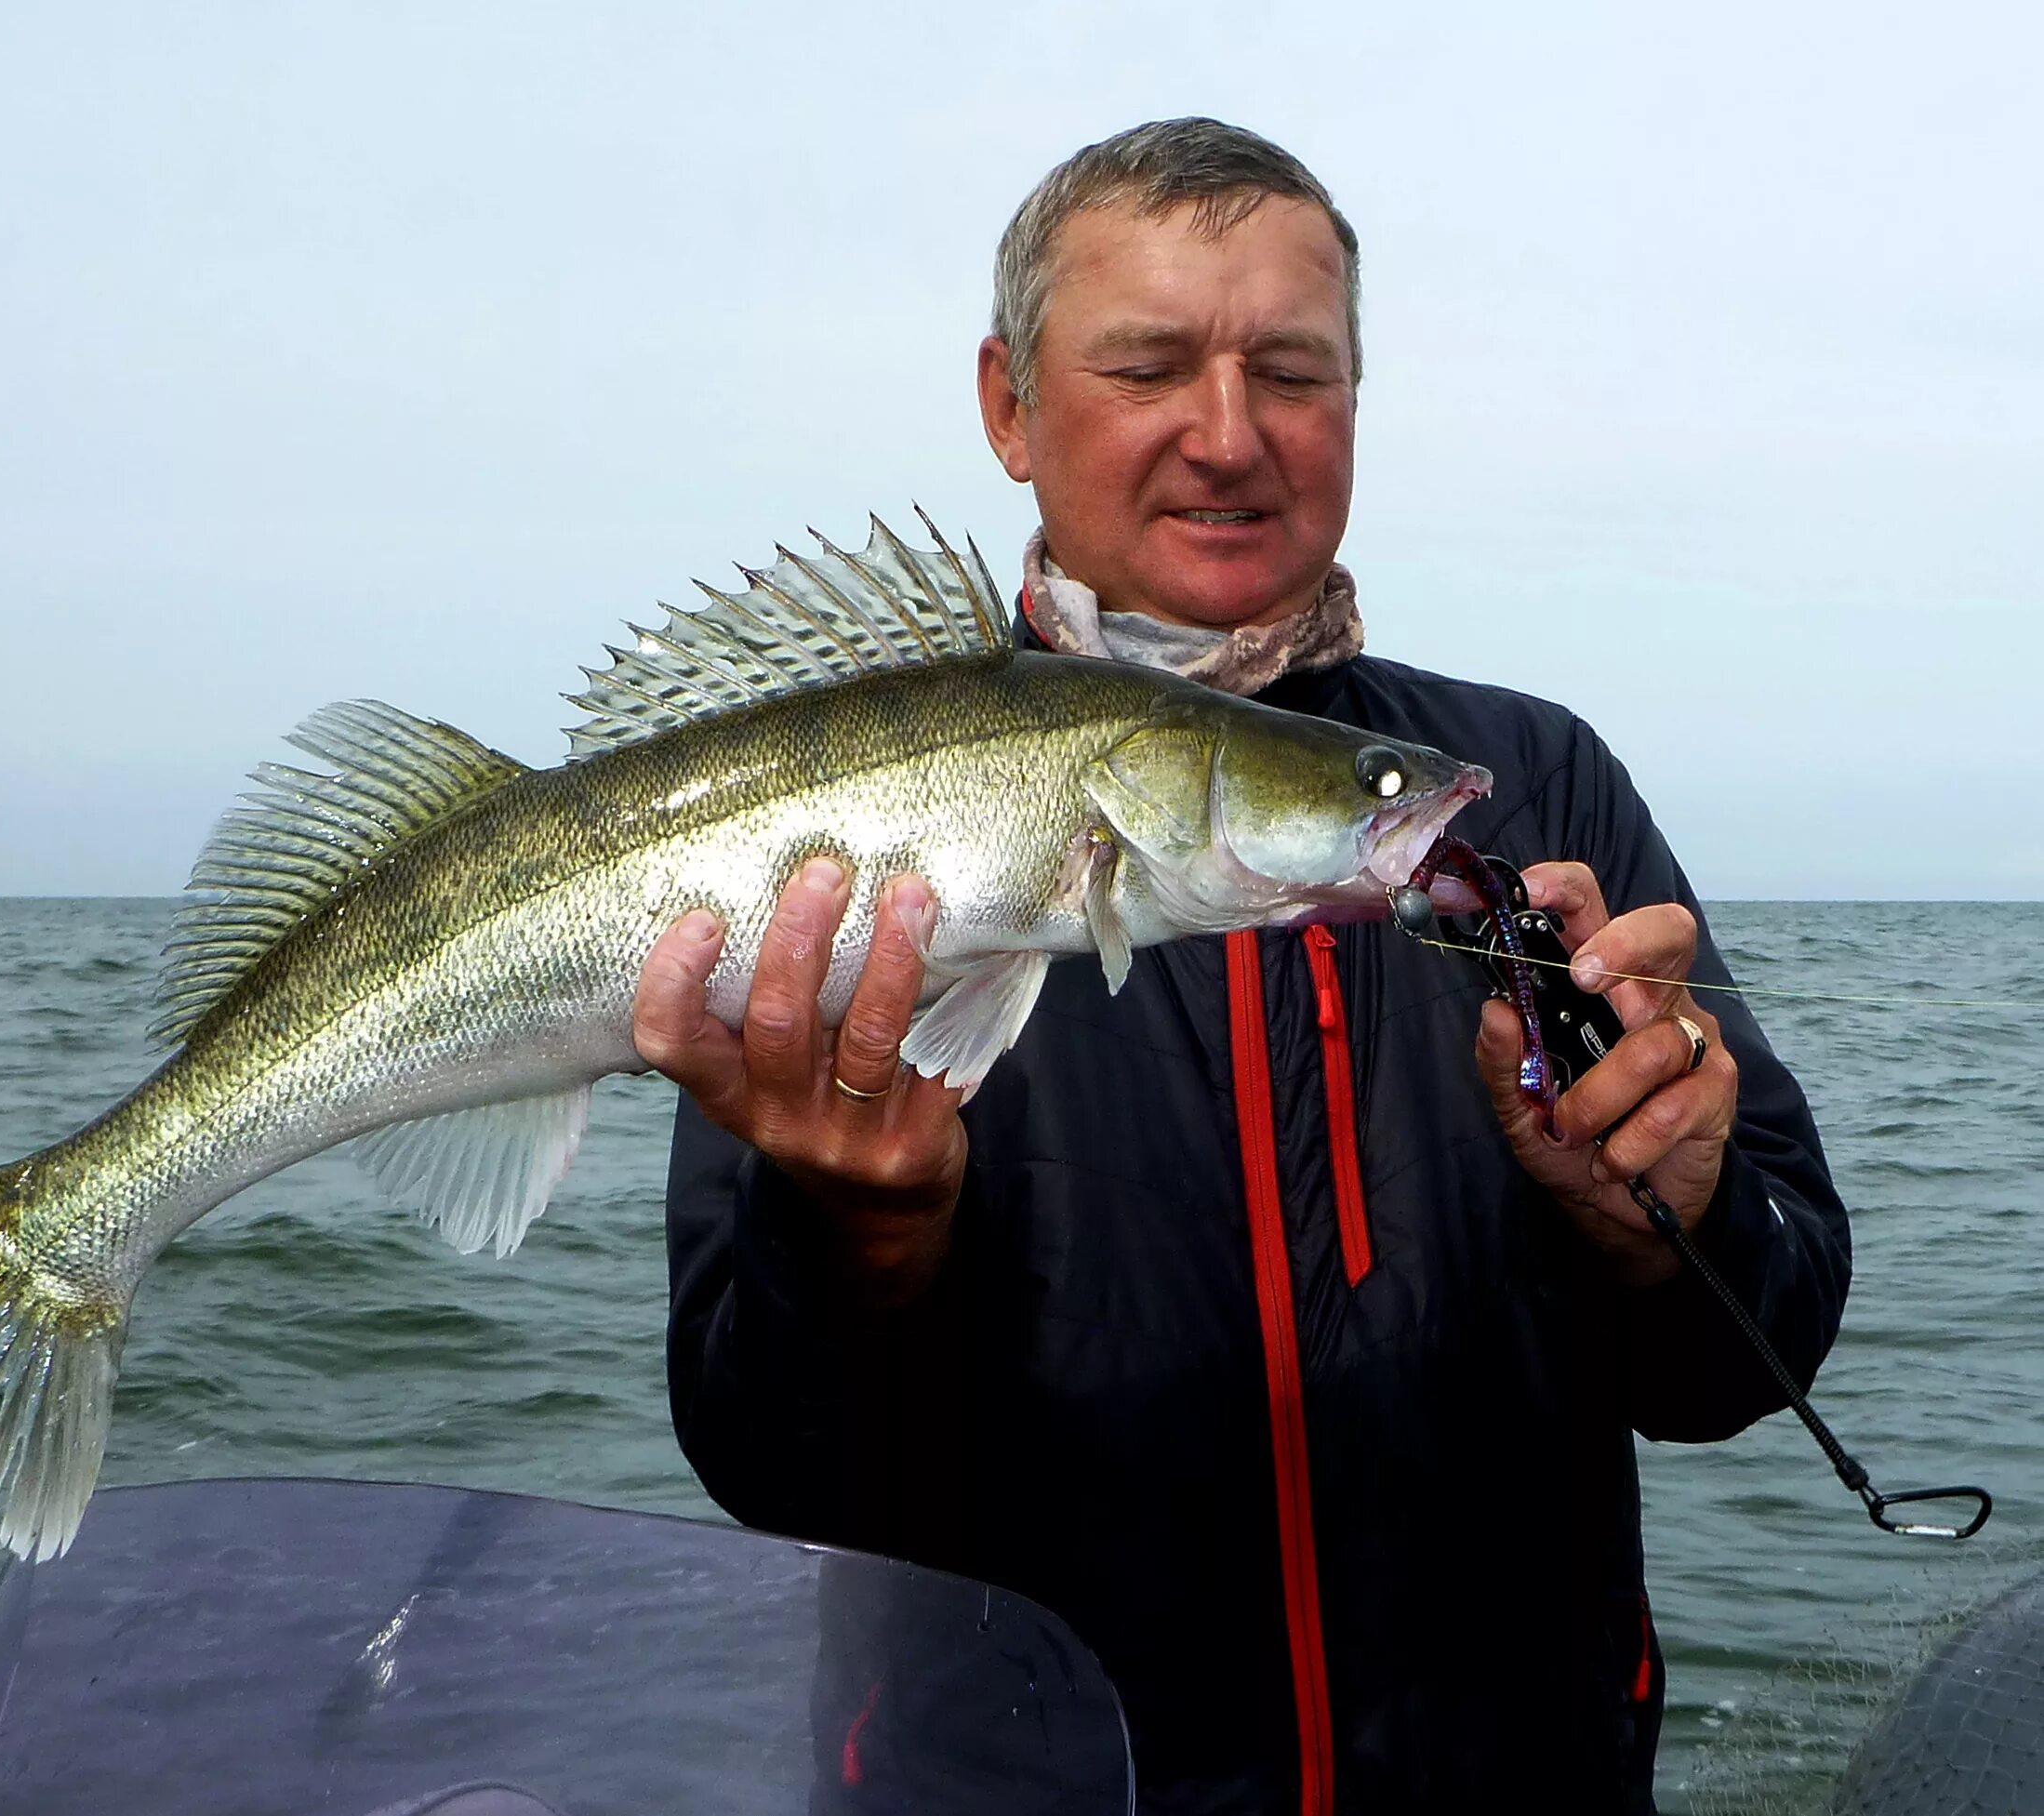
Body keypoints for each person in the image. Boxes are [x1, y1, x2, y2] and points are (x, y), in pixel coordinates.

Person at [630, 118, 1850, 1814]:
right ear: (1008, 404)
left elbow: (1749, 1360)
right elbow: (769, 1456)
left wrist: (1674, 1214)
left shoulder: (1525, 788)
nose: (1229, 436)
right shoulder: (840, 814)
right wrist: (856, 1238)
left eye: (1294, 369)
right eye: (1147, 366)